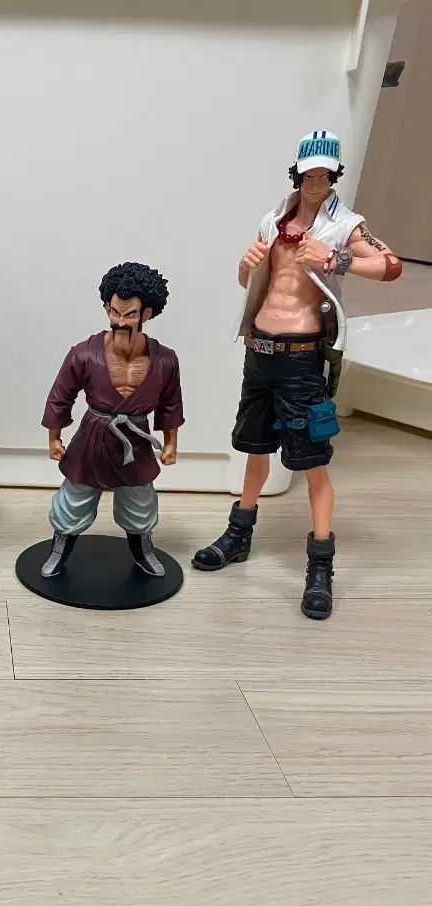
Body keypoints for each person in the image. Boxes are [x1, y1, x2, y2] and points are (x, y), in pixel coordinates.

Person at [192, 130, 403, 619]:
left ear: (333, 177)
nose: (315, 184)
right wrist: (245, 266)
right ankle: (238, 535)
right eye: (308, 175)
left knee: (312, 460)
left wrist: (335, 258)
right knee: (254, 448)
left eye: (324, 176)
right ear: (297, 175)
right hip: (260, 350)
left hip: (303, 359)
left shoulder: (345, 224)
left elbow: (390, 265)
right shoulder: (273, 219)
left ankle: (320, 564)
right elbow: (254, 282)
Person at [38, 261, 183, 578]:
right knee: (75, 497)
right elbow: (61, 395)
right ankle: (60, 548)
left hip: (136, 439)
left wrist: (171, 443)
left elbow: (171, 405)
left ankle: (142, 550)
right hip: (93, 436)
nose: (121, 321)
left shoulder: (165, 360)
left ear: (146, 313)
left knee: (140, 500)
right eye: (115, 312)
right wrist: (54, 437)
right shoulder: (84, 354)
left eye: (130, 314)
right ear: (106, 307)